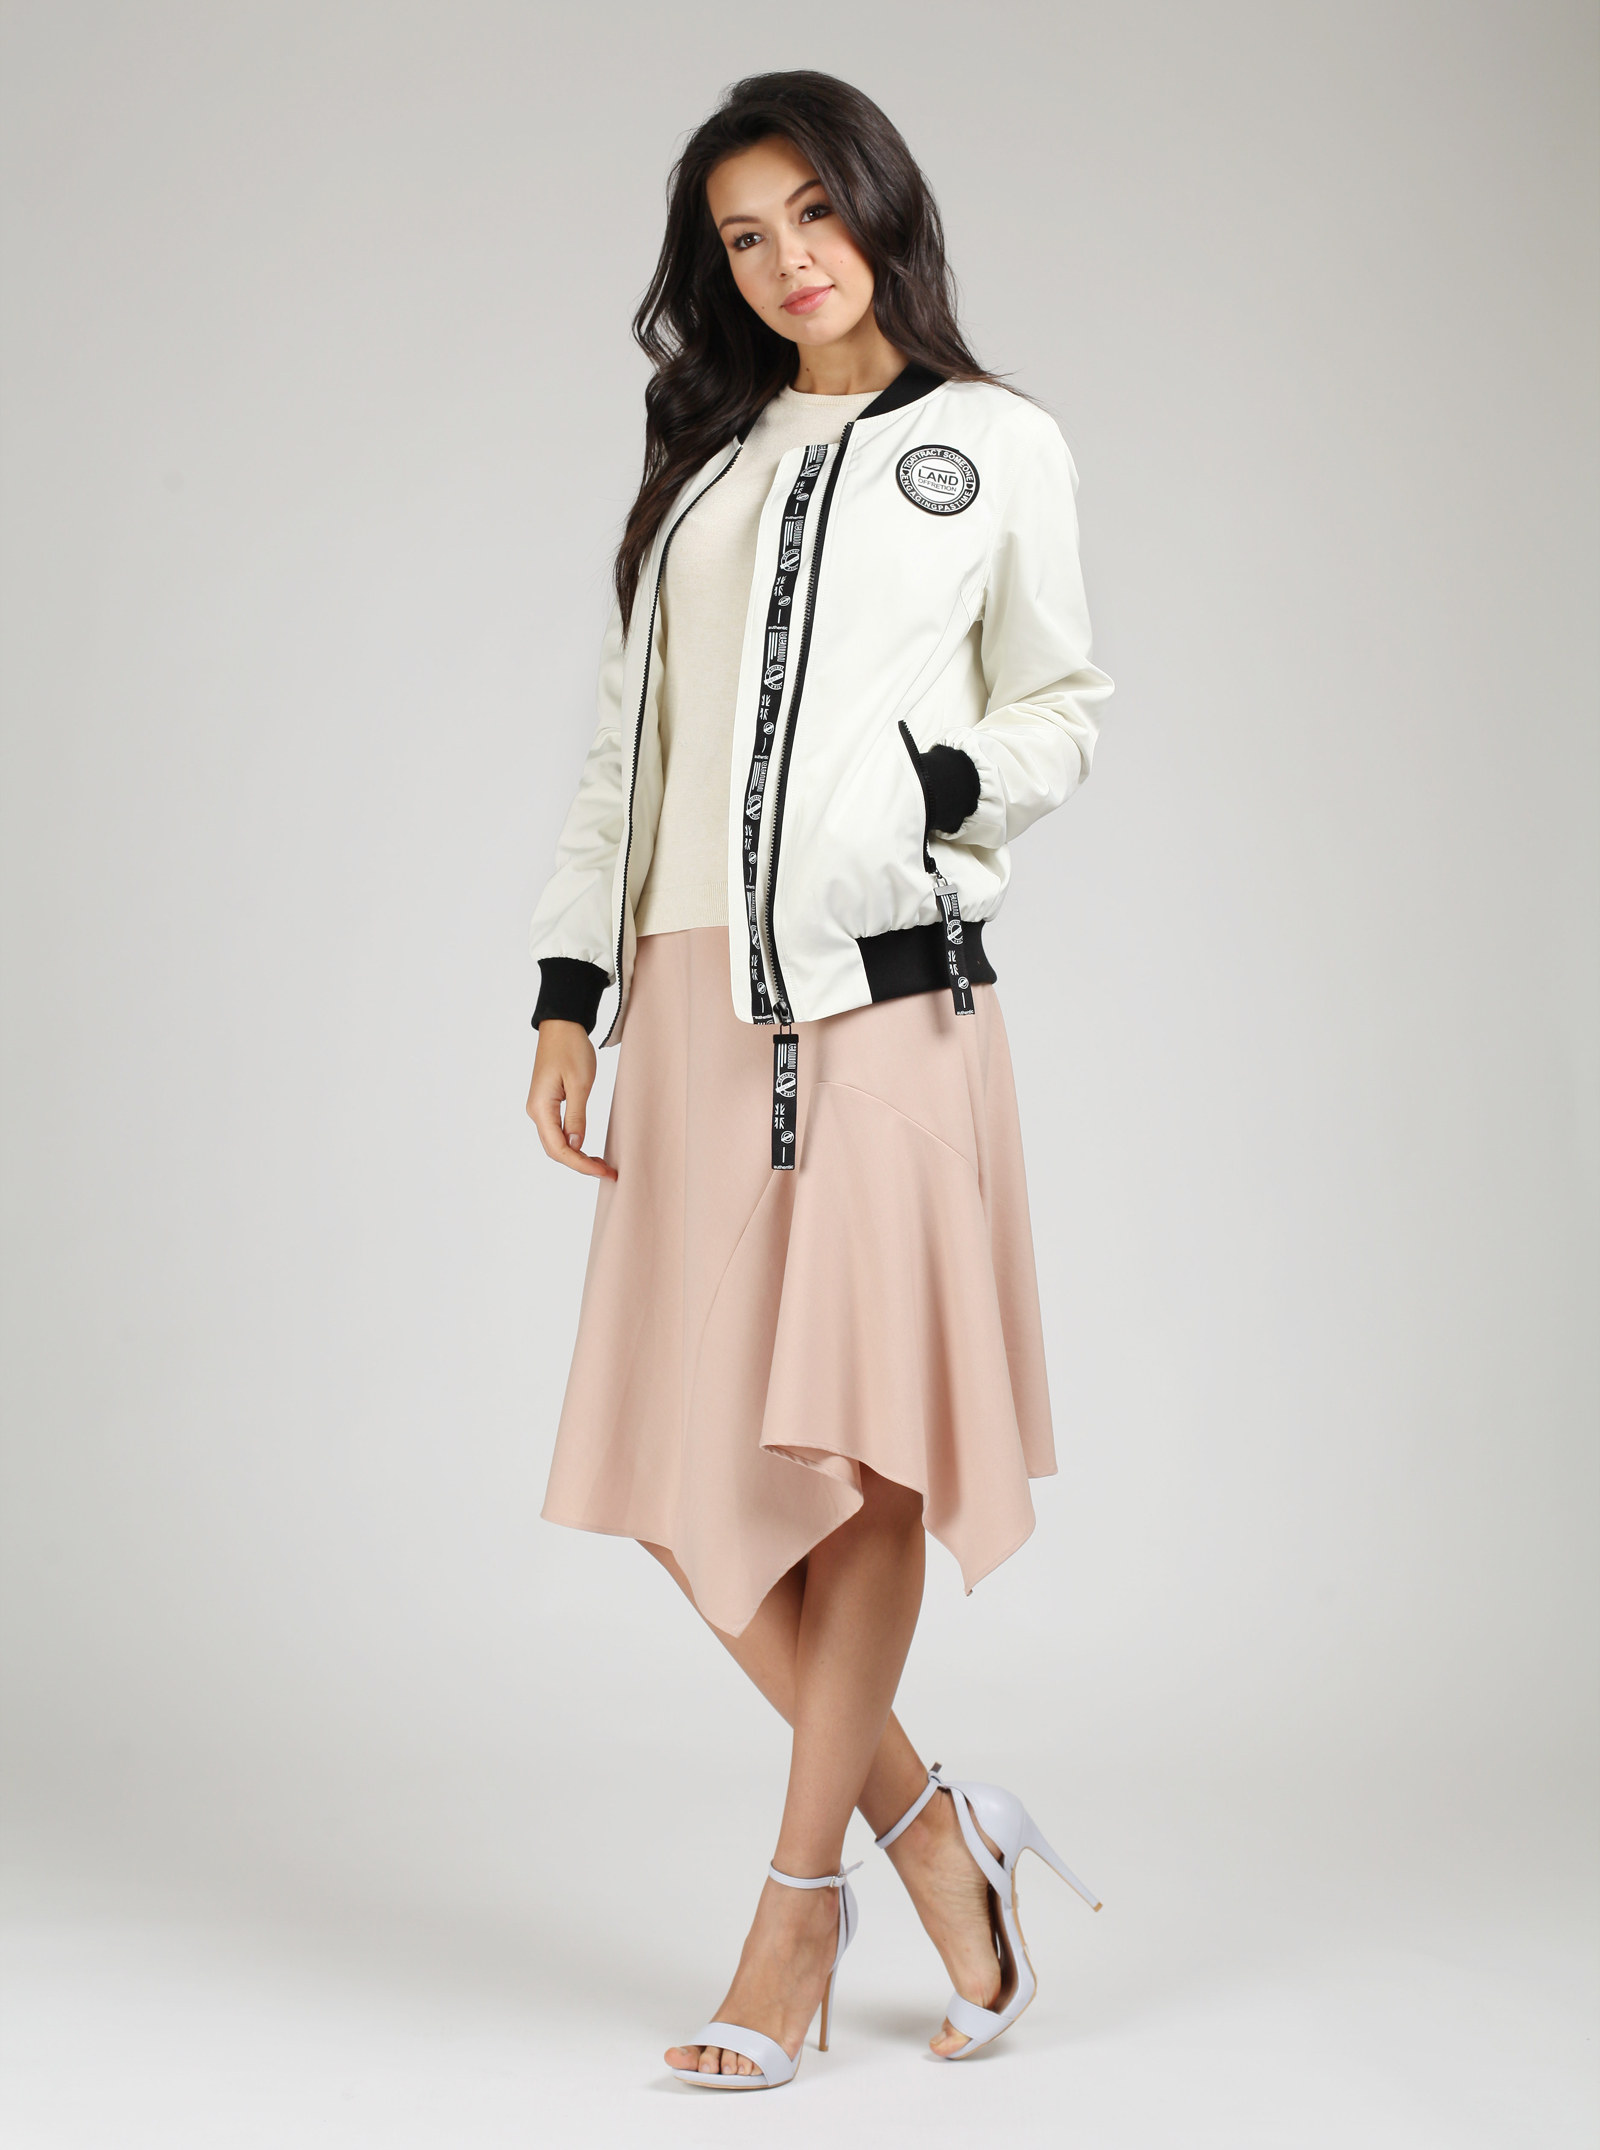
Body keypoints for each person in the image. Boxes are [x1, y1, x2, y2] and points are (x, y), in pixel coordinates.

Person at [523, 69, 1114, 2089]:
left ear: (879, 205)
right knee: (680, 1474)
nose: (787, 260)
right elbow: (628, 746)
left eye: (810, 213)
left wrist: (936, 785)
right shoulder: (704, 465)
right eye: (742, 236)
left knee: (860, 1453)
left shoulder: (994, 443)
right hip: (695, 999)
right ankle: (936, 1831)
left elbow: (1061, 704)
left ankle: (794, 1913)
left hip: (884, 999)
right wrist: (569, 988)